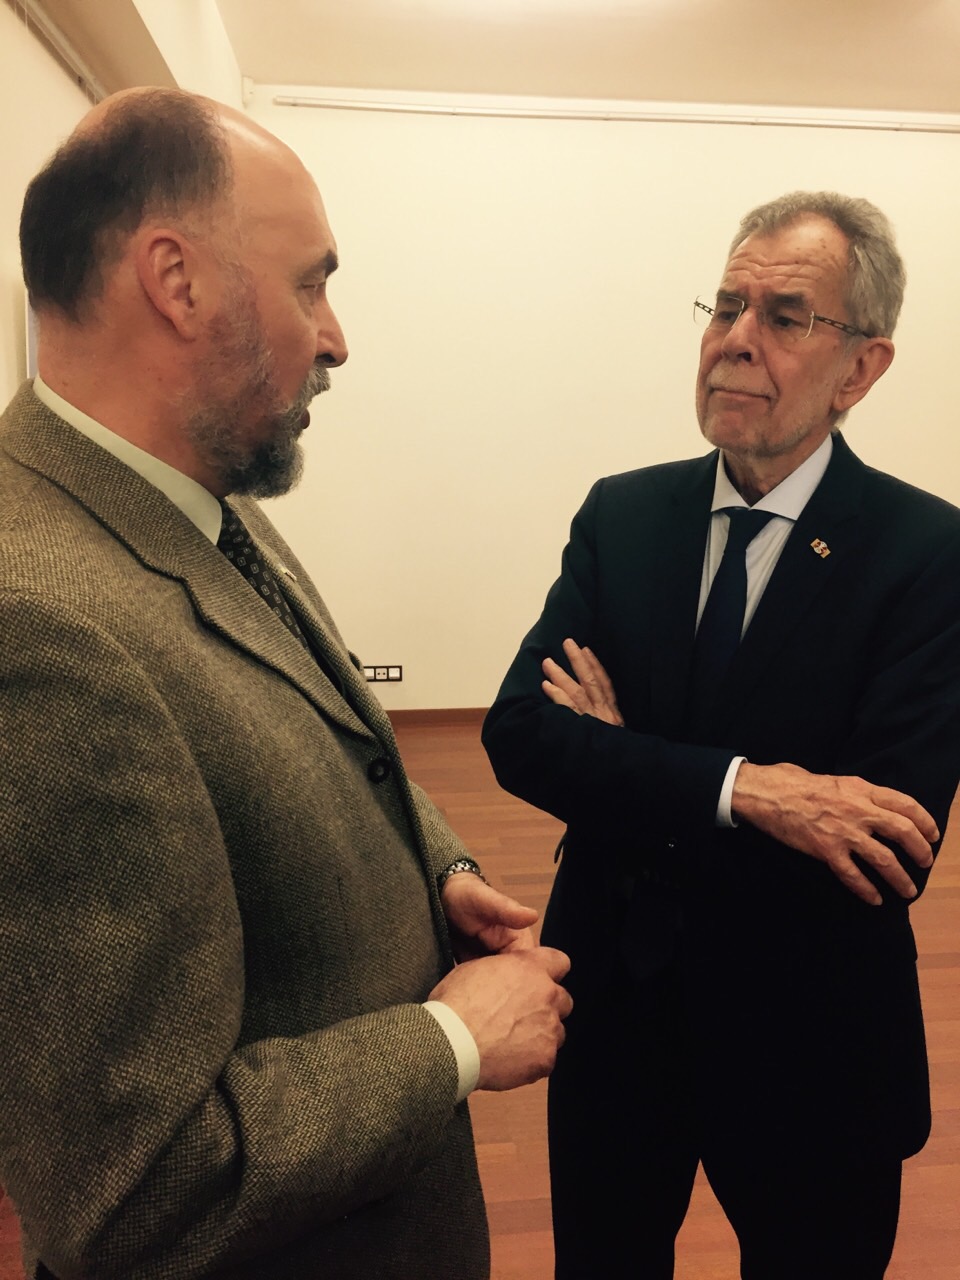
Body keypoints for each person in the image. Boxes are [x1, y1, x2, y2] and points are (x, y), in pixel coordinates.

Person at [0, 87, 572, 1280]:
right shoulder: (41, 628)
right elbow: (133, 1188)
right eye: (312, 283)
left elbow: (303, 725)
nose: (336, 336)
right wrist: (453, 1041)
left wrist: (435, 865)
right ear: (177, 280)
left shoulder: (190, 498)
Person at [482, 192, 960, 1280]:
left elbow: (883, 849)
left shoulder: (929, 556)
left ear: (862, 368)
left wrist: (622, 761)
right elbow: (521, 733)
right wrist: (753, 790)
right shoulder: (623, 515)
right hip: (616, 1019)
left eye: (785, 316)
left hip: (811, 1046)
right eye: (727, 304)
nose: (737, 338)